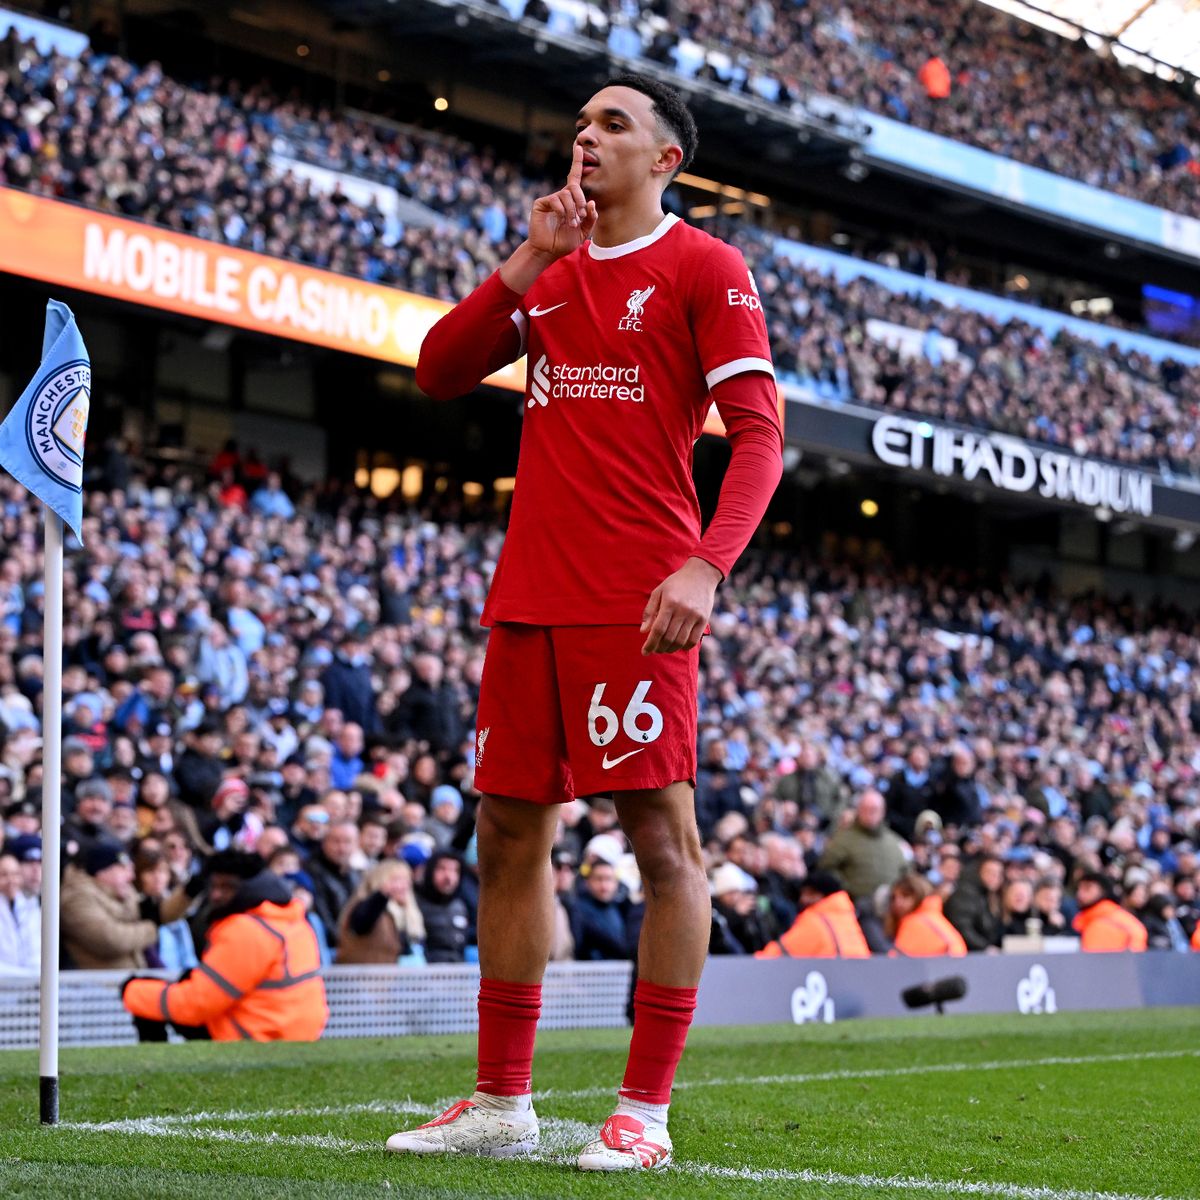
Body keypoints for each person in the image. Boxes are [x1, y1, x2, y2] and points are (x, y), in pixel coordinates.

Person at [386, 72, 781, 1170]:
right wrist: (524, 260)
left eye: (614, 124)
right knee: (507, 835)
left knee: (661, 840)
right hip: (529, 594)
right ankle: (501, 1101)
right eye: (580, 124)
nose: (587, 138)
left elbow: (758, 437)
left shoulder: (707, 266)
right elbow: (437, 372)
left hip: (637, 597)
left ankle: (643, 1113)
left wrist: (707, 565)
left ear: (666, 160)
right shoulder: (552, 268)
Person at [123, 851, 328, 1041]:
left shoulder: (246, 928)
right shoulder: (288, 917)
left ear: (250, 887)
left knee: (146, 995)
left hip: (255, 1034)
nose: (216, 895)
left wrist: (132, 990)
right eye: (215, 886)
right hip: (293, 1030)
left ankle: (152, 1073)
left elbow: (198, 1004)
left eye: (227, 887)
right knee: (180, 983)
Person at [60, 843, 162, 970]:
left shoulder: (126, 893)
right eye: (123, 868)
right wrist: (151, 928)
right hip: (99, 985)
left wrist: (186, 894)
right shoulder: (76, 897)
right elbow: (112, 939)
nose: (131, 876)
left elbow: (164, 913)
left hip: (128, 980)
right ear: (101, 871)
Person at [755, 871, 870, 959]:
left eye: (808, 894)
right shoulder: (847, 919)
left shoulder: (816, 920)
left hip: (831, 983)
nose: (802, 899)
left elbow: (780, 953)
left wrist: (749, 963)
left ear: (821, 895)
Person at [818, 790, 908, 903]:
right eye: (865, 809)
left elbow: (906, 871)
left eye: (874, 809)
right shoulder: (842, 838)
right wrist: (846, 888)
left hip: (890, 906)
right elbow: (825, 868)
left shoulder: (895, 841)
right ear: (858, 810)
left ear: (883, 811)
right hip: (853, 904)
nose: (870, 813)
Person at [337, 860, 426, 964]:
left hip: (392, 977)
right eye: (396, 880)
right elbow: (360, 923)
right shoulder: (367, 905)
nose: (403, 886)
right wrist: (382, 895)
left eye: (406, 880)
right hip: (362, 975)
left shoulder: (407, 913)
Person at [886, 873, 968, 957]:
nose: (898, 903)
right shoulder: (931, 916)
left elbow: (896, 959)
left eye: (906, 895)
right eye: (894, 898)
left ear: (919, 895)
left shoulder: (915, 921)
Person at [415, 849, 471, 963]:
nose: (448, 876)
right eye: (442, 869)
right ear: (430, 871)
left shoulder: (459, 906)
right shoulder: (415, 903)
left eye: (455, 870)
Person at [1072, 872, 1148, 952]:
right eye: (1079, 889)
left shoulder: (1113, 921)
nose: (1079, 894)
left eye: (1087, 889)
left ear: (1103, 891)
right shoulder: (1085, 919)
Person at [943, 855, 1005, 952]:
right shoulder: (965, 894)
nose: (994, 877)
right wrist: (985, 947)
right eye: (989, 872)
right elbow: (962, 928)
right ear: (978, 872)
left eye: (998, 874)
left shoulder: (988, 896)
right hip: (966, 955)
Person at [0, 852, 38, 973]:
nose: (11, 880)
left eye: (15, 874)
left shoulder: (31, 906)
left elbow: (36, 952)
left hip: (31, 984)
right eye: (4, 875)